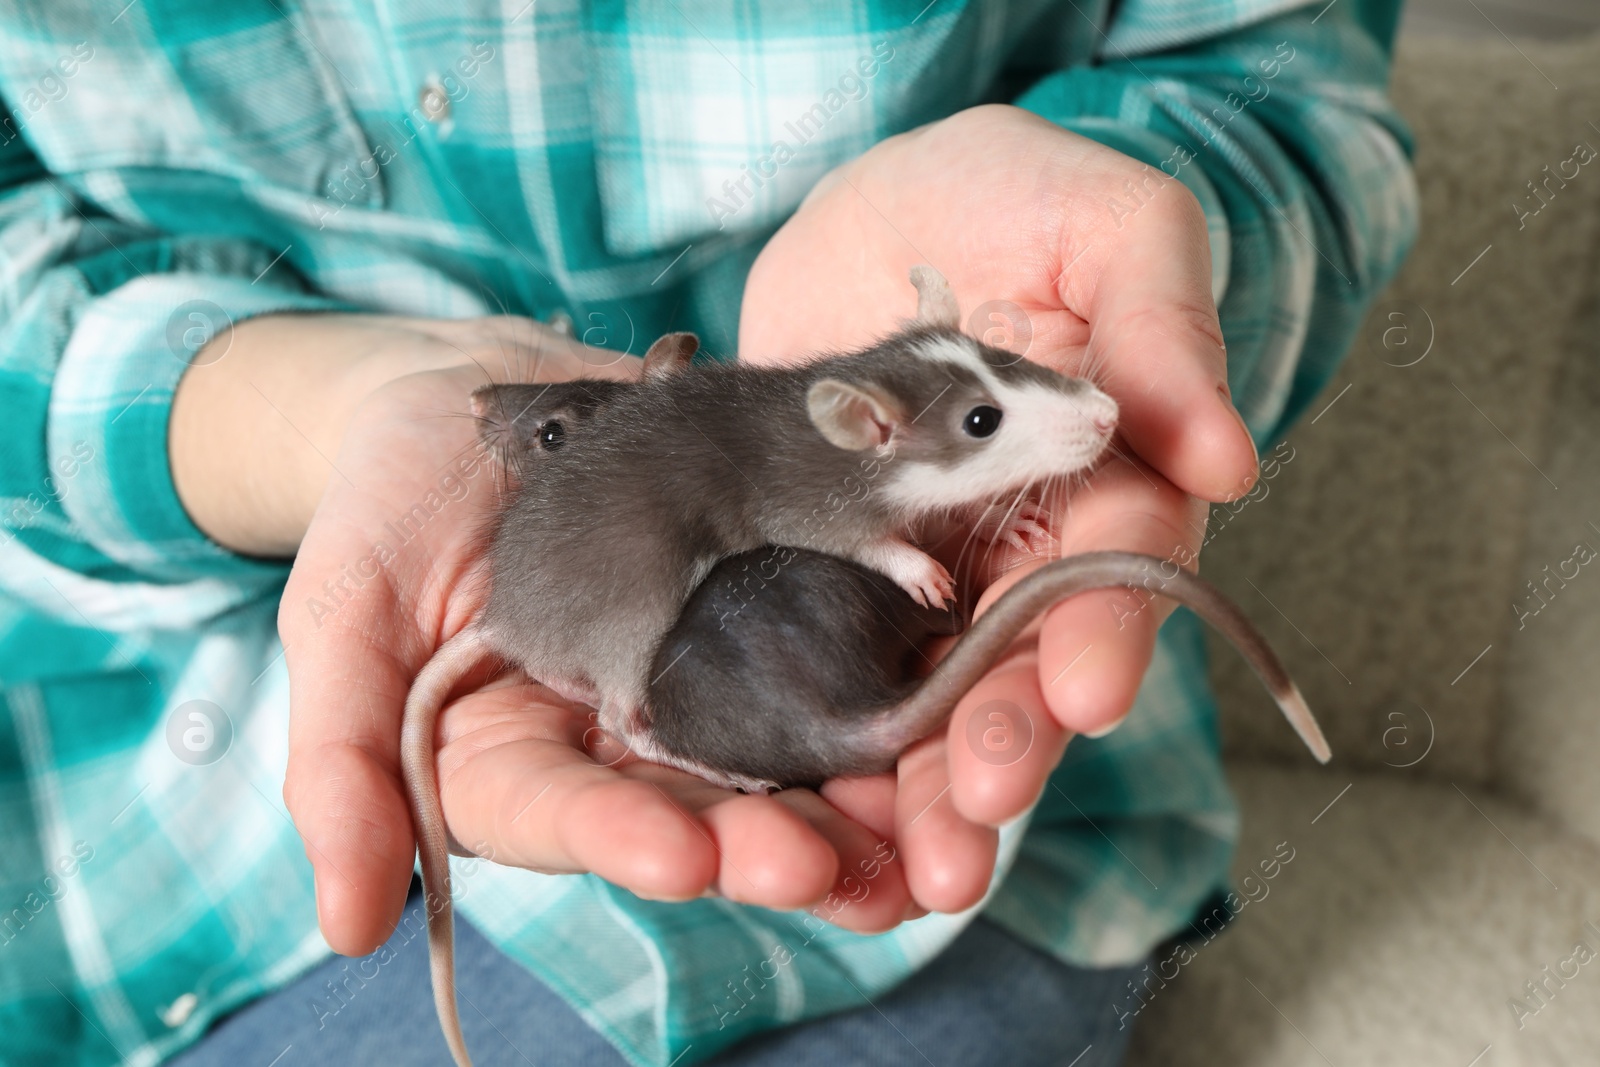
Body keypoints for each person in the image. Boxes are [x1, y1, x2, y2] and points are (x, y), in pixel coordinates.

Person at [0, 1, 1416, 1064]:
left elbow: (1279, 82)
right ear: (869, 424)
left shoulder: (848, 437)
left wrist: (1142, 210)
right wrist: (314, 411)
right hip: (121, 832)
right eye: (986, 428)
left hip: (996, 878)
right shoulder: (832, 472)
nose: (1066, 424)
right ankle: (638, 706)